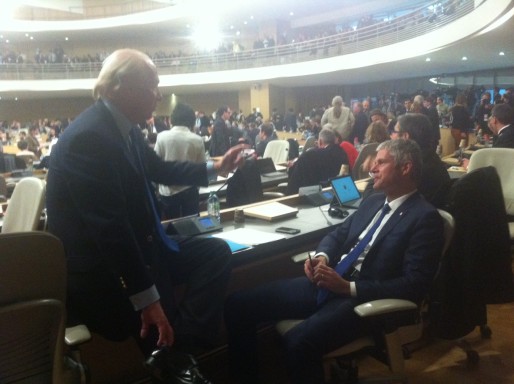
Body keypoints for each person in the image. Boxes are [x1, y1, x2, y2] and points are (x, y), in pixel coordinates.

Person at [46, 49, 246, 384]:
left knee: (216, 254)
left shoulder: (124, 127)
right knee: (157, 308)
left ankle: (176, 349)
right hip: (105, 273)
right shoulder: (90, 138)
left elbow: (160, 168)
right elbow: (110, 232)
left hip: (143, 247)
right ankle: (176, 359)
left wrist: (216, 166)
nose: (159, 94)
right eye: (151, 85)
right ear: (119, 86)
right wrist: (148, 299)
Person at [225, 139, 444, 384]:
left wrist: (348, 287)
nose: (372, 168)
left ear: (406, 168)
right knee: (237, 305)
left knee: (298, 343)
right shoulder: (373, 200)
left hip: (362, 299)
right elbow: (339, 234)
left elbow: (414, 285)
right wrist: (322, 257)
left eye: (381, 162)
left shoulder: (425, 218)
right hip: (329, 282)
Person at [364, 113, 451, 209]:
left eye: (394, 131)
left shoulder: (410, 168)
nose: (391, 136)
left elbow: (371, 198)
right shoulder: (433, 160)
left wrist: (376, 172)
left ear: (405, 136)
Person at [154, 102, 206, 219]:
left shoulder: (161, 137)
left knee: (171, 229)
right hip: (190, 191)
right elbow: (201, 168)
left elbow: (155, 165)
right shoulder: (197, 140)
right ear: (191, 120)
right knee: (193, 228)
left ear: (172, 119)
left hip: (167, 193)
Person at [286, 127, 349, 194]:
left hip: (311, 197)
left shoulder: (310, 155)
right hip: (338, 194)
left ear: (320, 141)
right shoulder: (342, 153)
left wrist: (293, 165)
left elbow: (293, 184)